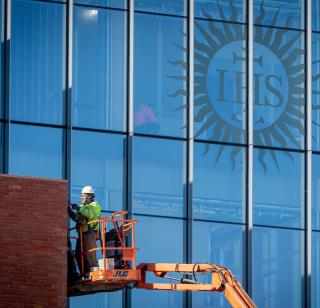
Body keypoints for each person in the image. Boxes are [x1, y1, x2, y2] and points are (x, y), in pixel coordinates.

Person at [68, 186, 101, 277]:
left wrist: (78, 208)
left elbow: (90, 214)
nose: (81, 198)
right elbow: (77, 218)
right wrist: (69, 211)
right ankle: (85, 273)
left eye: (83, 196)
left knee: (90, 254)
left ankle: (93, 273)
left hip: (90, 233)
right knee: (79, 254)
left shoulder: (95, 206)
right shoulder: (83, 207)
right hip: (82, 234)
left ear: (89, 197)